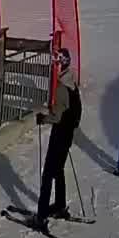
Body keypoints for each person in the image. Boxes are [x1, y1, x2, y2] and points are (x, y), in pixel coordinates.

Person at [25, 50, 82, 227]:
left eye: (55, 62)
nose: (53, 65)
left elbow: (57, 116)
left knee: (48, 173)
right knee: (58, 169)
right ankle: (59, 205)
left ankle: (41, 216)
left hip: (60, 132)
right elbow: (75, 109)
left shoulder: (61, 86)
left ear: (61, 63)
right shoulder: (72, 80)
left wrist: (44, 118)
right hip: (68, 132)